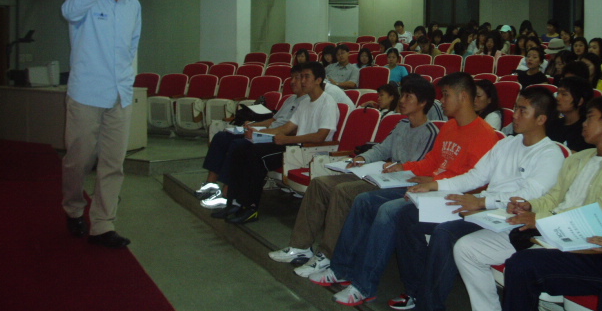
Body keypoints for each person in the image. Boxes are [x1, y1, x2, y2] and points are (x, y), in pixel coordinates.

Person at [307, 72, 499, 306]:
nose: (442, 101)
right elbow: (432, 161)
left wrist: (432, 182)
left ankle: (364, 286)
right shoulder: (450, 127)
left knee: (389, 211)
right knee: (364, 200)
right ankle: (341, 269)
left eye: (446, 95)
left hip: (452, 199)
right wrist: (404, 167)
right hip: (431, 188)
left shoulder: (485, 135)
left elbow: (474, 182)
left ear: (463, 97)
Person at [394, 87, 563, 311]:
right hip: (483, 207)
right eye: (515, 108)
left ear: (541, 119)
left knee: (446, 233)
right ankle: (416, 290)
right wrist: (435, 185)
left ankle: (429, 305)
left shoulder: (550, 154)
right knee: (408, 216)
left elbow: (528, 196)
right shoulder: (507, 143)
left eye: (523, 111)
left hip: (507, 218)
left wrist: (481, 203)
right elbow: (475, 176)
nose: (514, 115)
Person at [268, 79, 439, 277]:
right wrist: (362, 158)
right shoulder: (402, 124)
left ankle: (328, 255)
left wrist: (396, 167)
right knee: (320, 184)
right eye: (402, 95)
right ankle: (300, 247)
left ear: (423, 103)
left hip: (398, 184)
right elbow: (382, 149)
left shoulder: (430, 132)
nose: (401, 101)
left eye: (409, 97)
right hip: (382, 175)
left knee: (343, 191)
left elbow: (418, 167)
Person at [501, 95, 602, 311]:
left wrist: (539, 220)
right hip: (555, 232)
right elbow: (554, 198)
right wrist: (530, 206)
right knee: (520, 262)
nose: (584, 124)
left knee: (522, 264)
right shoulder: (579, 159)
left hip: (593, 246)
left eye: (590, 118)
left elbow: (597, 216)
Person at [61, 0, 141, 248]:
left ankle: (103, 224)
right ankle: (73, 208)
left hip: (120, 95)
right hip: (86, 93)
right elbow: (70, 13)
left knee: (113, 163)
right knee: (78, 160)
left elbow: (131, 46)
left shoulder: (133, 5)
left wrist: (127, 80)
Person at [212, 62, 339, 224]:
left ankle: (250, 207)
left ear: (318, 80)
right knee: (242, 147)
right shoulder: (305, 102)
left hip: (309, 152)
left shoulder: (328, 102)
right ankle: (234, 203)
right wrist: (258, 133)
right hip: (294, 147)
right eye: (301, 77)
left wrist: (288, 139)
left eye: (306, 77)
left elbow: (320, 136)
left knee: (255, 156)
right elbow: (286, 128)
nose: (302, 81)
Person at [196, 65, 308, 208]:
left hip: (275, 136)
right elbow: (273, 120)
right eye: (291, 78)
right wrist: (254, 124)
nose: (292, 82)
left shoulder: (307, 102)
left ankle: (226, 194)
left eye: (297, 78)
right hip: (266, 131)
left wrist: (260, 131)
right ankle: (210, 184)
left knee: (239, 145)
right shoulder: (290, 99)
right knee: (222, 137)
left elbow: (291, 130)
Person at [546, 76, 593, 152]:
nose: (558, 98)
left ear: (580, 101)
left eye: (564, 94)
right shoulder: (553, 125)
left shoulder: (586, 130)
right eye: (558, 93)